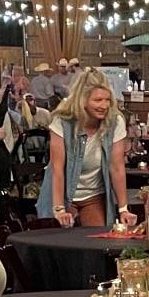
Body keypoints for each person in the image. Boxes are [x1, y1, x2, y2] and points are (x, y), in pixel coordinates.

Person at [40, 68, 134, 229]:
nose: (104, 105)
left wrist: (123, 209)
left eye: (107, 100)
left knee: (97, 243)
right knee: (59, 247)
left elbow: (117, 167)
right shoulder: (62, 121)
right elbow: (57, 169)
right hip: (61, 195)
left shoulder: (115, 121)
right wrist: (59, 209)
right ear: (82, 100)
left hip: (93, 196)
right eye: (98, 100)